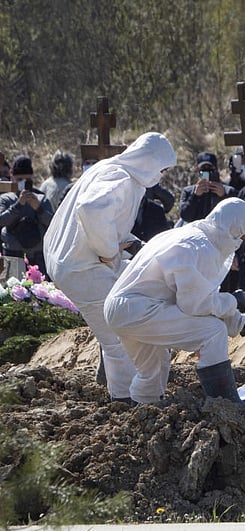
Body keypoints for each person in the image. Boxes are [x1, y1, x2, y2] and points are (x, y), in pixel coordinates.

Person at [43, 132, 177, 404]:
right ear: (149, 162)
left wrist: (128, 243)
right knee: (119, 333)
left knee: (121, 330)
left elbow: (106, 219)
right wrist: (107, 251)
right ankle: (126, 401)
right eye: (161, 169)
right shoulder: (121, 178)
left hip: (74, 262)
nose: (161, 175)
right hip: (83, 268)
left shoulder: (114, 170)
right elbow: (92, 209)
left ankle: (131, 396)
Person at [104, 198, 245, 404]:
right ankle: (227, 406)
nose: (241, 240)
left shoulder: (191, 237)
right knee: (213, 332)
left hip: (123, 309)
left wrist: (242, 324)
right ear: (234, 229)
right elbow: (195, 305)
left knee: (154, 367)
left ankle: (141, 420)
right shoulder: (200, 247)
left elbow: (202, 295)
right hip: (140, 309)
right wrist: (233, 300)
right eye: (242, 234)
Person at [0, 155, 55, 274]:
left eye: (27, 181)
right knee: (12, 290)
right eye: (20, 180)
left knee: (40, 291)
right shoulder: (6, 199)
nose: (23, 184)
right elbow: (2, 221)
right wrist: (18, 205)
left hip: (38, 257)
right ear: (12, 176)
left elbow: (54, 225)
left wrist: (39, 209)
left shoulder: (41, 199)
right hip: (13, 255)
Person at [179, 152, 239, 224]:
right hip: (197, 232)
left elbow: (237, 216)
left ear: (216, 169)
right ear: (198, 171)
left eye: (211, 169)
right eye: (203, 170)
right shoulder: (188, 191)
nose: (207, 173)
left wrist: (223, 196)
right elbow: (185, 216)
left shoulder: (229, 191)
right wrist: (195, 196)